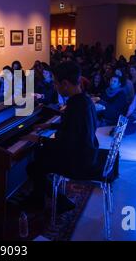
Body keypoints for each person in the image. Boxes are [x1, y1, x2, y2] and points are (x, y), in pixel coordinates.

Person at [23, 61, 99, 210]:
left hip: (78, 160)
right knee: (40, 154)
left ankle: (60, 201)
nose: (55, 87)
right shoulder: (84, 100)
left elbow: (66, 142)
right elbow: (74, 128)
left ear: (65, 83)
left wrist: (38, 138)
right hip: (86, 151)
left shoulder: (75, 106)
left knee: (33, 167)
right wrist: (49, 126)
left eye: (56, 83)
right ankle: (37, 198)